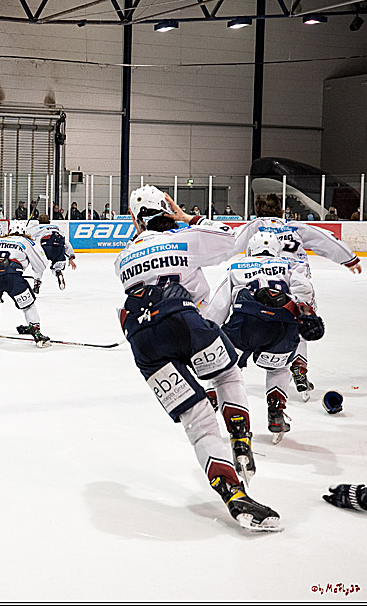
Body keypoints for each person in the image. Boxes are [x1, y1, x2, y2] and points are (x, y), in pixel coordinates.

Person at [114, 186, 279, 531]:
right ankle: (240, 439)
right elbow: (231, 240)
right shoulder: (184, 237)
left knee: (197, 420)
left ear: (134, 218)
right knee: (226, 375)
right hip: (183, 320)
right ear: (167, 210)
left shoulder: (123, 257)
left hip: (142, 341)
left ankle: (234, 494)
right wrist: (188, 217)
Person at [233, 193, 362, 400]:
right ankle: (300, 368)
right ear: (281, 210)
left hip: (268, 281)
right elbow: (325, 239)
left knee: (256, 321)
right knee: (301, 325)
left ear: (258, 211)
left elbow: (231, 241)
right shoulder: (294, 227)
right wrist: (349, 259)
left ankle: (232, 370)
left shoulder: (255, 226)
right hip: (300, 282)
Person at [204, 231, 322, 445]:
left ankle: (211, 400)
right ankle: (276, 412)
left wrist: (208, 332)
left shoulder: (237, 266)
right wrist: (308, 314)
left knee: (226, 368)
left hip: (243, 327)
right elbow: (305, 291)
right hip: (280, 329)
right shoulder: (287, 266)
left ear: (250, 250)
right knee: (278, 368)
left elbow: (218, 307)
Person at [31, 215, 76, 290]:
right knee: (57, 266)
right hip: (59, 248)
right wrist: (71, 256)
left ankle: (37, 284)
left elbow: (27, 236)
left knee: (39, 266)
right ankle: (58, 272)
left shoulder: (36, 228)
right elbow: (66, 242)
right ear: (49, 221)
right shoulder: (57, 227)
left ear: (39, 221)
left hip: (45, 247)